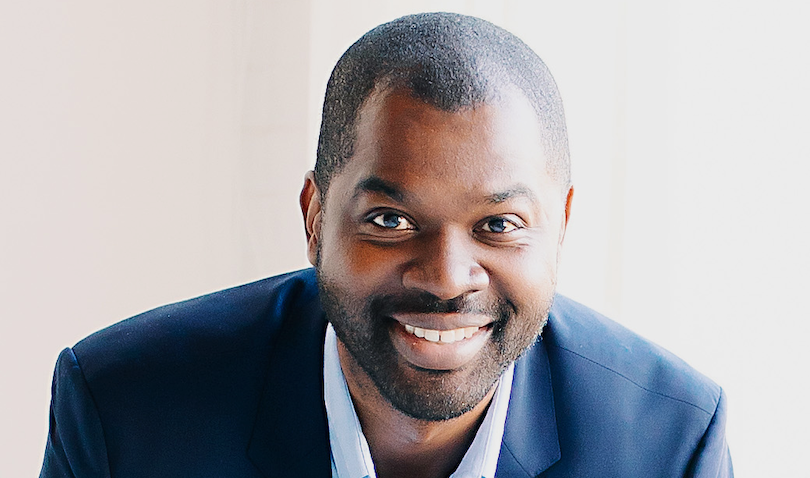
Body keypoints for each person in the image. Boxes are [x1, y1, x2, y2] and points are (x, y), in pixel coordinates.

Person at [40, 12, 732, 478]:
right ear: (315, 217)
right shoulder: (124, 411)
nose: (445, 277)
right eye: (392, 221)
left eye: (498, 225)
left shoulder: (667, 444)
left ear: (561, 226)